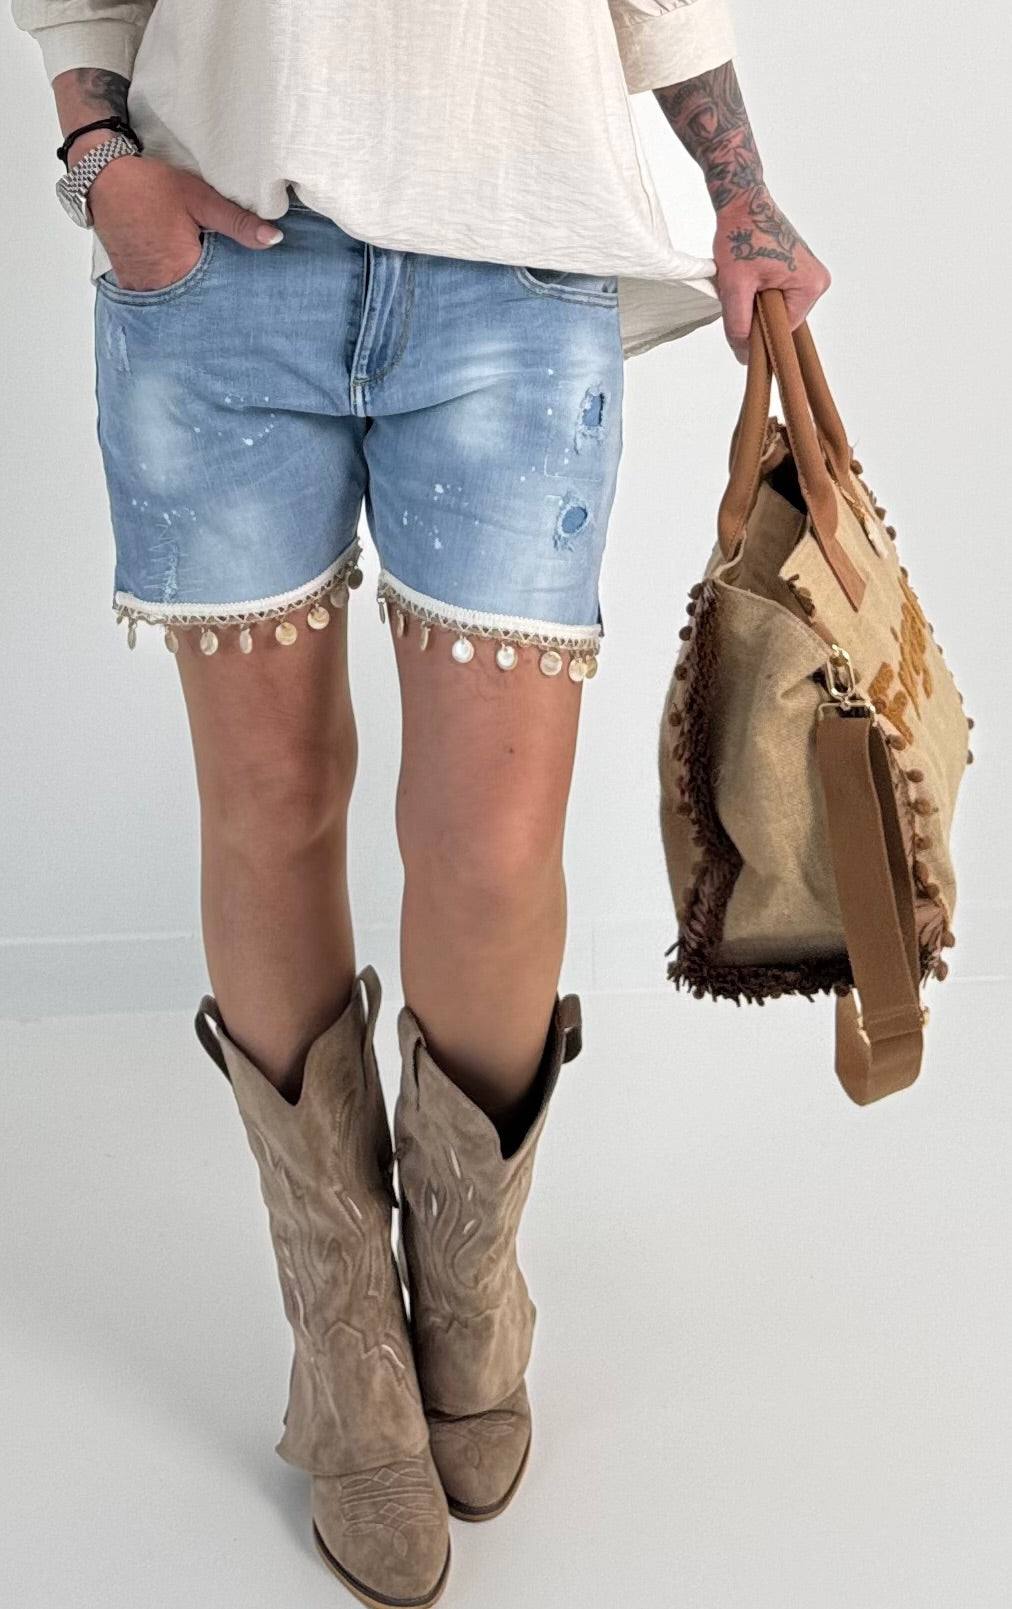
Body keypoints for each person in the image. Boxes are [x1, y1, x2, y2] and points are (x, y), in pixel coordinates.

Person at [13, 3, 831, 1604]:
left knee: (494, 840)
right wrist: (101, 160)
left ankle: (465, 1296)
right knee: (273, 803)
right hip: (219, 264)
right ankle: (345, 1344)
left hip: (515, 268)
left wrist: (740, 190)